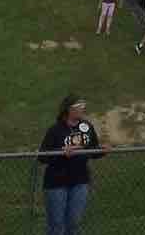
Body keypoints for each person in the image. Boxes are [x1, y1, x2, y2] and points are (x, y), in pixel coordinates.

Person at [39, 94, 104, 235]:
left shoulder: (86, 127)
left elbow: (93, 151)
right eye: (79, 106)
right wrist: (61, 152)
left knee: (74, 223)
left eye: (83, 106)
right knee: (56, 225)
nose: (83, 109)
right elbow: (42, 156)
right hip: (56, 183)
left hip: (80, 182)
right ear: (69, 109)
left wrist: (102, 150)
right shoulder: (55, 130)